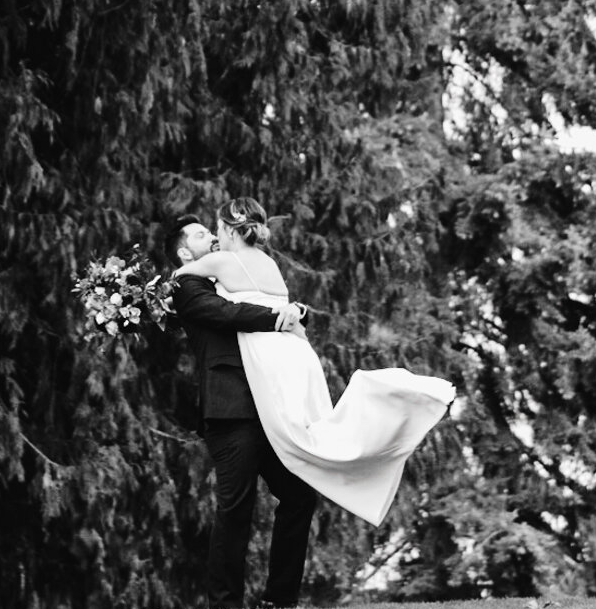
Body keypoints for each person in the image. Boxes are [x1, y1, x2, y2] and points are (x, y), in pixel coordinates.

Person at [176, 198, 454, 529]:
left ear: (230, 231)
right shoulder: (268, 262)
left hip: (268, 359)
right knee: (309, 440)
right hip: (296, 354)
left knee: (281, 464)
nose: (214, 238)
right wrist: (296, 312)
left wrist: (149, 290)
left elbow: (183, 280)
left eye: (216, 230)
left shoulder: (221, 261)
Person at [169, 208, 319, 609]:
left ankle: (280, 599)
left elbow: (265, 300)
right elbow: (227, 315)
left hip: (271, 402)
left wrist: (295, 311)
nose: (212, 238)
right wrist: (278, 318)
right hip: (231, 405)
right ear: (186, 254)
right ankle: (224, 604)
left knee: (299, 495)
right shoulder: (186, 288)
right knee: (236, 505)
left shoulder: (234, 274)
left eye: (211, 231)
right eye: (201, 236)